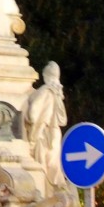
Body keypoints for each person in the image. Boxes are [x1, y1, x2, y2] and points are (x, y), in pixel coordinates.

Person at [22, 62, 68, 193]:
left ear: (45, 75)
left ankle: (45, 195)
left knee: (43, 168)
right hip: (55, 133)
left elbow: (32, 114)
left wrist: (27, 121)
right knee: (53, 168)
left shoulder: (44, 92)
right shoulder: (57, 93)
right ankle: (54, 196)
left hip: (43, 135)